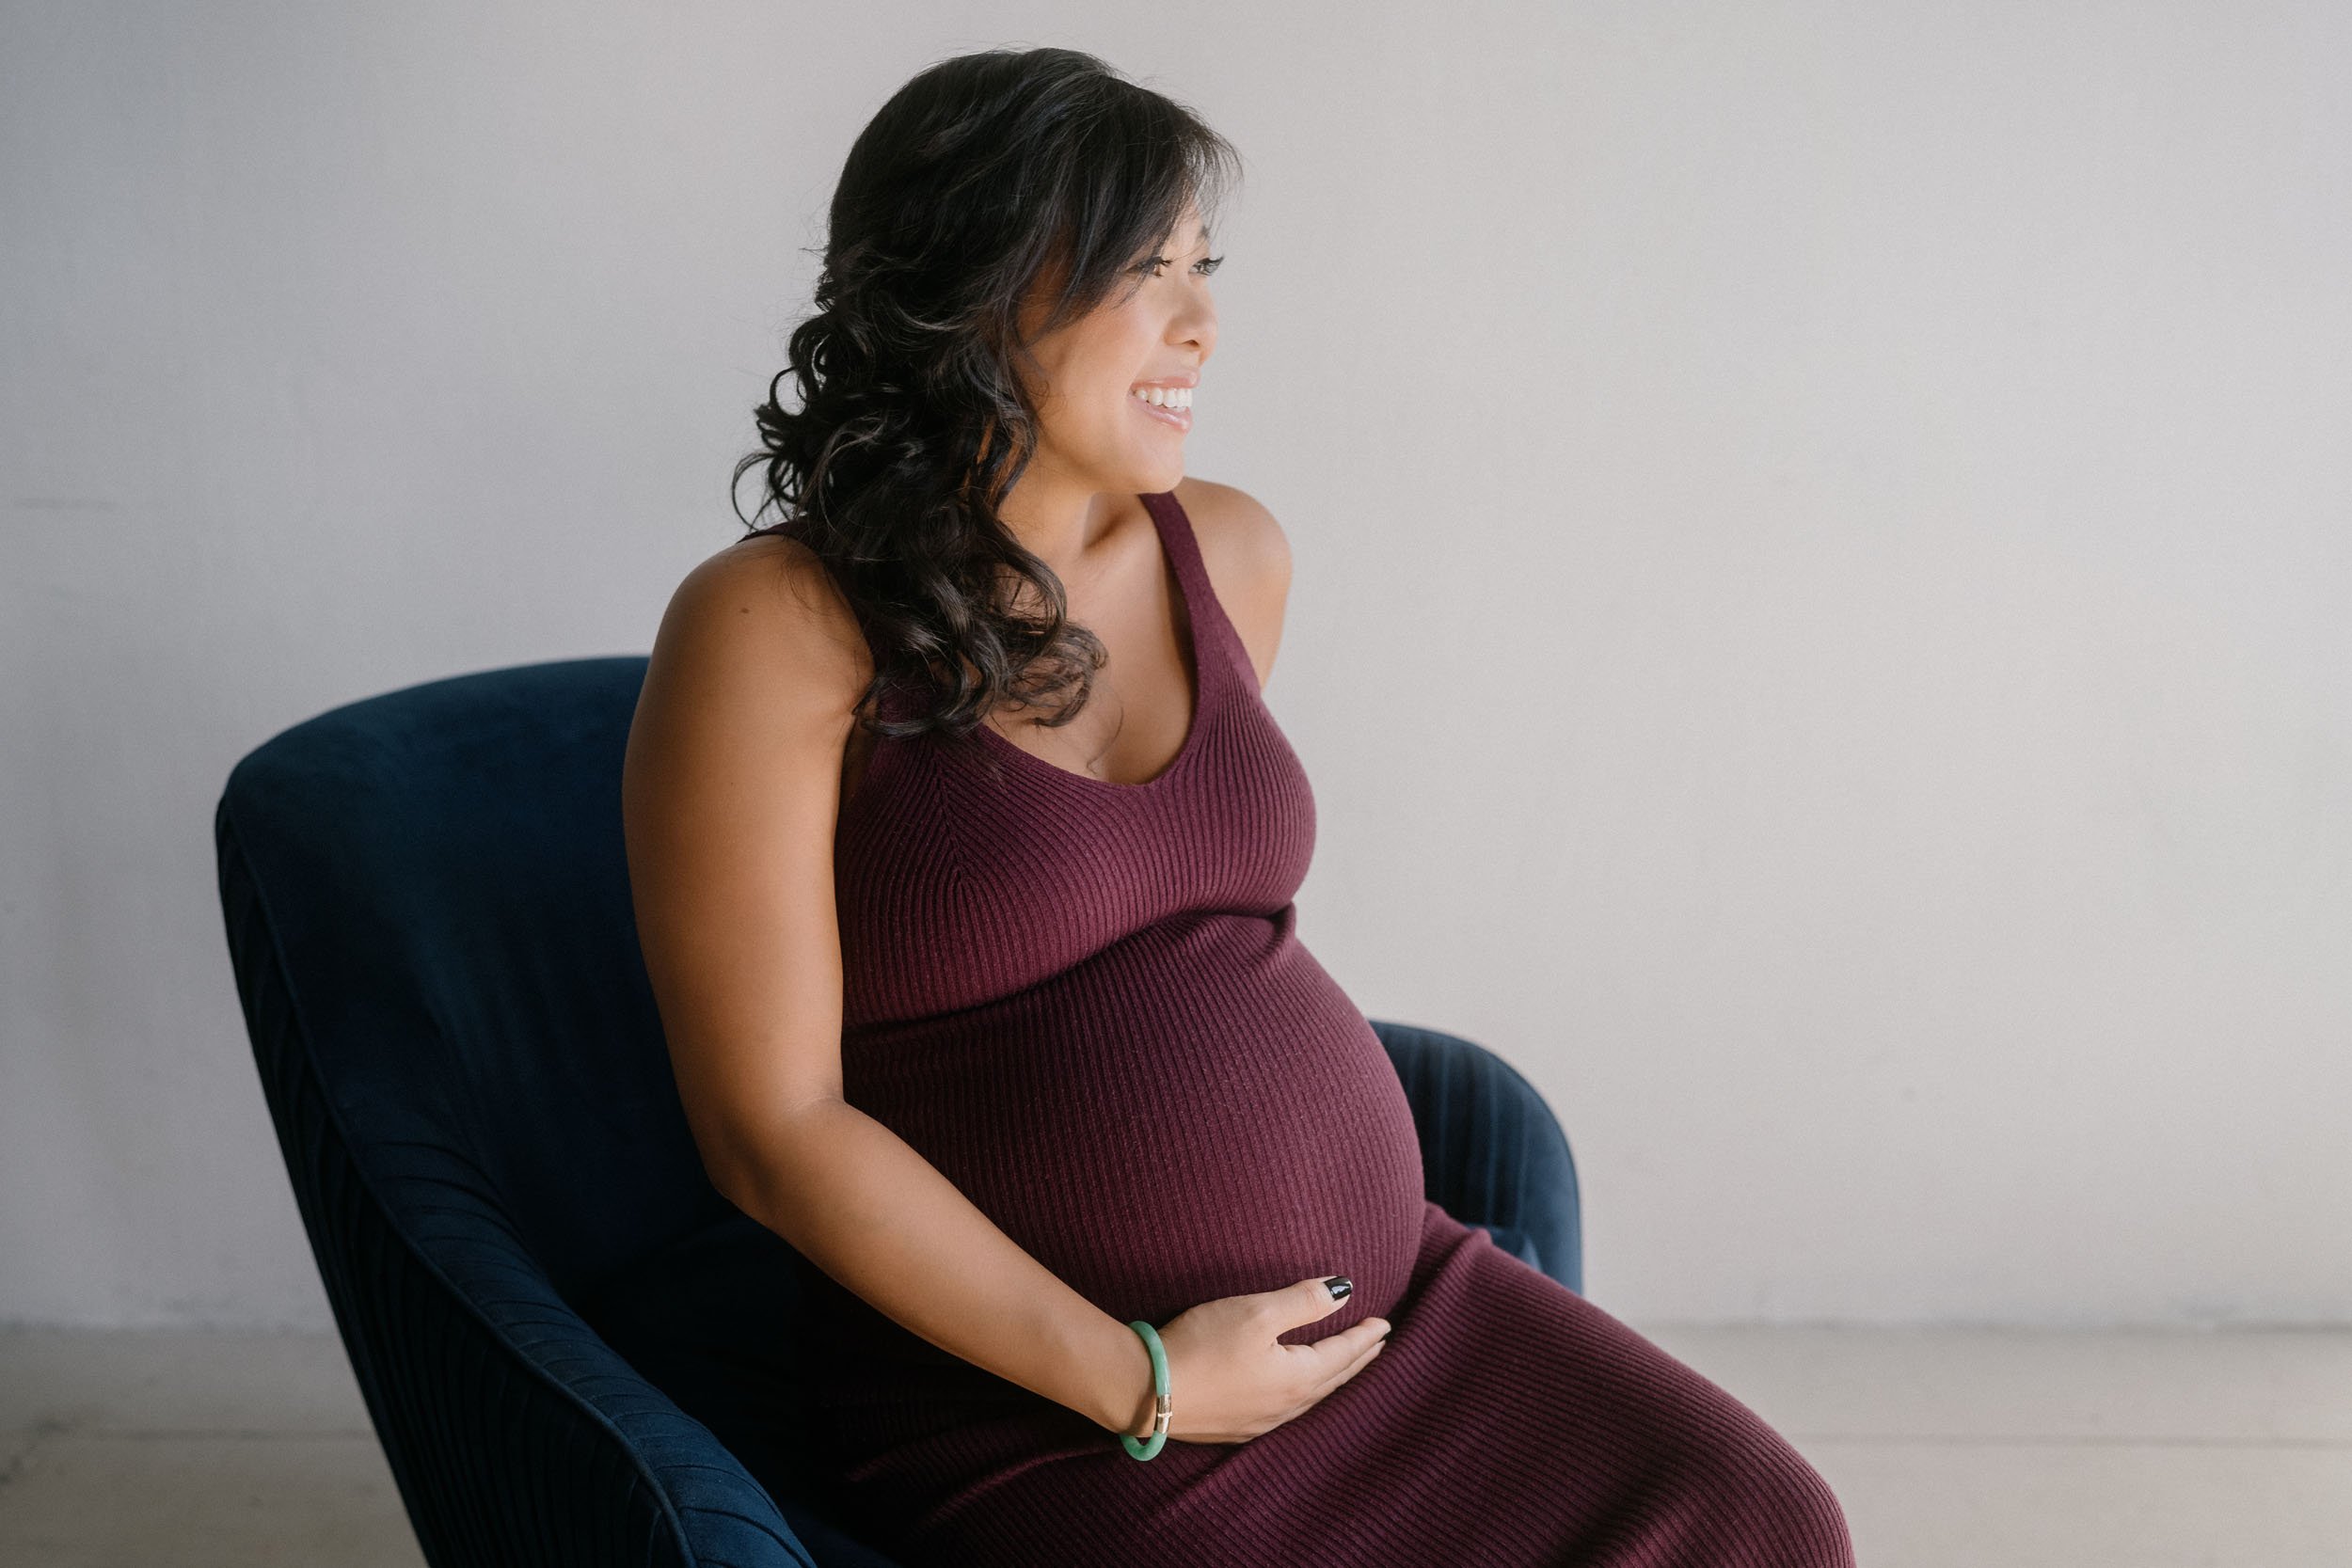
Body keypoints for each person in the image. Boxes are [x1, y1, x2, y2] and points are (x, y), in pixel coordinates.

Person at [621, 44, 1856, 1568]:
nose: (1204, 325)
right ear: (978, 288)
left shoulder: (1235, 556)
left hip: (1390, 1316)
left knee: (1763, 1519)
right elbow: (771, 1127)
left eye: (1205, 268)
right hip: (1040, 1404)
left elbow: (1194, 946)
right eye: (1149, 275)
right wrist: (1141, 1380)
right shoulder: (775, 629)